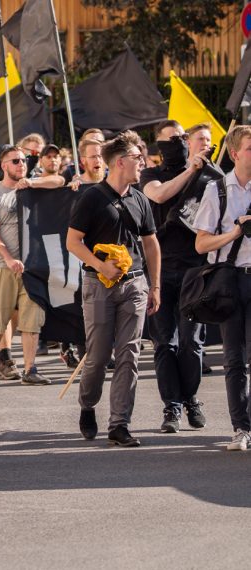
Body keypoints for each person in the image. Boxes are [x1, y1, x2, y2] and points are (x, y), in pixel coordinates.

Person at [67, 130, 160, 447]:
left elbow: (151, 244)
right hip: (99, 284)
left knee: (129, 354)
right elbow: (72, 242)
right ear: (120, 162)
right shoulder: (92, 198)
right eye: (137, 158)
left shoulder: (140, 199)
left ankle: (119, 424)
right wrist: (100, 264)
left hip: (134, 284)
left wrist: (155, 285)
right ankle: (87, 403)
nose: (142, 163)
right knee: (97, 356)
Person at [142, 120, 217, 433]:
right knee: (165, 344)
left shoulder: (210, 175)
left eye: (184, 137)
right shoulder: (151, 174)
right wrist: (190, 171)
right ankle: (171, 407)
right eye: (173, 139)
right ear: (160, 144)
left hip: (195, 270)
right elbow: (159, 197)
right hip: (160, 269)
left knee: (191, 343)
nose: (181, 142)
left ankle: (191, 399)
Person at [193, 125, 251, 451]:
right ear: (234, 153)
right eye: (250, 148)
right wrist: (234, 232)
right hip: (228, 280)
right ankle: (240, 428)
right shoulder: (217, 190)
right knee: (233, 360)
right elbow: (200, 244)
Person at [0, 146, 51, 386]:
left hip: (33, 267)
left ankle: (30, 369)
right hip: (2, 266)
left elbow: (60, 180)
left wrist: (35, 184)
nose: (22, 164)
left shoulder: (32, 188)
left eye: (24, 161)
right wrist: (9, 258)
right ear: (3, 166)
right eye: (16, 161)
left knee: (32, 319)